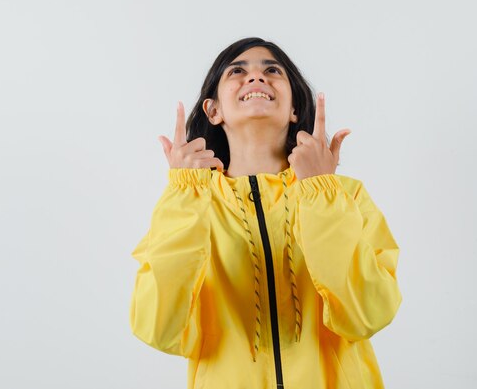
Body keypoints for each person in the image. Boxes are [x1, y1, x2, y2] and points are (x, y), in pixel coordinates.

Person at [129, 37, 402, 389]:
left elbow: (368, 314)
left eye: (272, 70)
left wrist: (320, 192)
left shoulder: (344, 197)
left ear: (293, 108)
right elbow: (158, 328)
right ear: (213, 111)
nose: (256, 78)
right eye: (237, 71)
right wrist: (185, 194)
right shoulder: (189, 205)